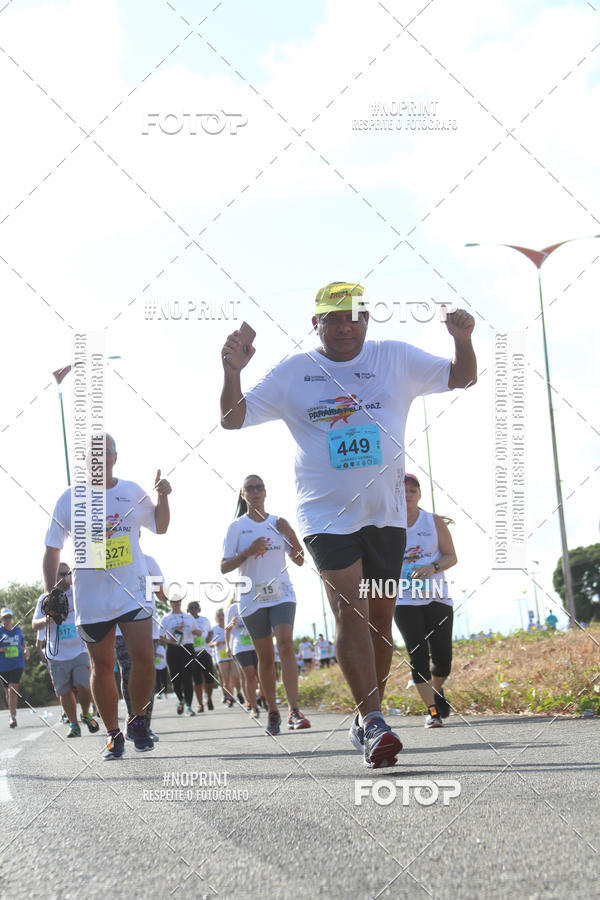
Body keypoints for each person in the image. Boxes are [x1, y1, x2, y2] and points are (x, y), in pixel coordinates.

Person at [220, 282, 476, 767]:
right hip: (325, 517)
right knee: (350, 612)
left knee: (380, 621)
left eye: (354, 316)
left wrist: (462, 341)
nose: (345, 326)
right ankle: (376, 720)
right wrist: (232, 373)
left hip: (385, 516)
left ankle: (366, 718)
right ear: (315, 324)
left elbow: (462, 378)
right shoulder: (295, 372)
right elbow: (233, 418)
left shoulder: (394, 358)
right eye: (333, 318)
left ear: (367, 320)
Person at [43, 433, 172, 759]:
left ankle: (138, 720)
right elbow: (53, 549)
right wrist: (50, 594)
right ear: (85, 460)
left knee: (144, 658)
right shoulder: (69, 499)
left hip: (131, 590)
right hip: (93, 596)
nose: (100, 459)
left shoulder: (131, 491)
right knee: (102, 666)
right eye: (93, 455)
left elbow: (160, 526)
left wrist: (163, 497)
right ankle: (113, 734)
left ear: (115, 456)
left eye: (106, 453)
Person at [221, 474, 311, 735]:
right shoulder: (236, 528)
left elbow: (299, 559)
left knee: (285, 641)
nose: (256, 491)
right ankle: (273, 711)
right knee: (266, 656)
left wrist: (290, 533)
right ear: (243, 494)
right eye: (250, 488)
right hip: (252, 597)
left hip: (282, 593)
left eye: (260, 487)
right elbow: (224, 566)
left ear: (266, 491)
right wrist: (247, 552)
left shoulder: (278, 522)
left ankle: (294, 710)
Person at [394, 474, 457, 727]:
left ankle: (436, 688)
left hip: (437, 598)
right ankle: (432, 711)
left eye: (413, 490)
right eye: (403, 490)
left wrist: (433, 566)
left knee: (443, 659)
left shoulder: (432, 522)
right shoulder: (388, 526)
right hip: (404, 600)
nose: (408, 494)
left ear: (419, 494)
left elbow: (451, 556)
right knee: (418, 654)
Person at [32, 562, 99, 737]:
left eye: (66, 573)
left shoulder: (78, 593)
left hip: (80, 650)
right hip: (57, 654)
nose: (63, 576)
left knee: (83, 685)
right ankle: (74, 724)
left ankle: (85, 713)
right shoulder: (44, 598)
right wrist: (50, 618)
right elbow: (34, 625)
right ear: (52, 577)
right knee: (64, 691)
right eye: (59, 573)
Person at [115, 553, 168, 743]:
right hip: (118, 628)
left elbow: (163, 595)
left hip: (148, 628)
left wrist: (146, 584)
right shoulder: (106, 556)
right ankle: (133, 720)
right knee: (128, 672)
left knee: (146, 673)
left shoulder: (148, 561)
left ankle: (144, 725)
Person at [159, 596, 201, 716]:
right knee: (175, 678)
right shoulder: (166, 619)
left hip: (187, 648)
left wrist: (196, 632)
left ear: (181, 602)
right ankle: (180, 700)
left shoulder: (189, 617)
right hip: (173, 649)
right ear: (170, 603)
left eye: (178, 601)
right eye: (173, 602)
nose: (176, 603)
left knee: (187, 677)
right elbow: (159, 637)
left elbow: (198, 632)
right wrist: (171, 641)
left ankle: (189, 705)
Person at [0, 607, 30, 728]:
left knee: (12, 689)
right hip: (3, 666)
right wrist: (1, 649)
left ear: (12, 618)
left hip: (17, 663)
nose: (7, 619)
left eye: (9, 617)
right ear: (1, 619)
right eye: (4, 617)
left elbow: (23, 643)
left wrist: (26, 649)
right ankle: (12, 713)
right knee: (8, 692)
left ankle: (13, 717)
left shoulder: (18, 630)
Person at [187, 601, 216, 712]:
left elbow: (211, 631)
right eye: (191, 608)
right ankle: (200, 704)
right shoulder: (186, 621)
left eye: (195, 607)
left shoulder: (205, 620)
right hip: (192, 652)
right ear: (188, 610)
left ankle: (209, 698)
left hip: (205, 651)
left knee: (209, 678)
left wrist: (209, 637)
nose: (193, 609)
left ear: (199, 609)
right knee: (197, 680)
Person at [210, 607, 234, 705]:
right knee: (223, 677)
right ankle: (228, 695)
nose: (220, 617)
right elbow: (209, 643)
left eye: (222, 615)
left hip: (231, 654)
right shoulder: (214, 629)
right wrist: (216, 643)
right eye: (218, 616)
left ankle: (232, 694)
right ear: (216, 618)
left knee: (234, 677)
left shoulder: (230, 626)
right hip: (219, 656)